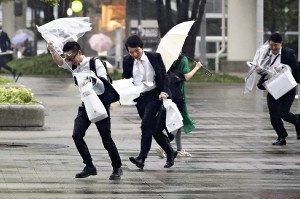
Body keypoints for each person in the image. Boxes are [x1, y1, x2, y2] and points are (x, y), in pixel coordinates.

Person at [47, 41, 123, 180]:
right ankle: (89, 166)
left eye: (72, 58)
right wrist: (52, 49)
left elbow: (104, 82)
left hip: (100, 103)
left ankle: (117, 167)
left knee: (106, 139)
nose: (70, 62)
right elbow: (59, 62)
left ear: (80, 53)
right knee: (77, 134)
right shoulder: (72, 64)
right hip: (86, 104)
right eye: (68, 59)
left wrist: (90, 80)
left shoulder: (95, 63)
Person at [123, 35, 175, 169]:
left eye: (137, 51)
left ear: (142, 48)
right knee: (153, 130)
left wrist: (165, 91)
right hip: (139, 98)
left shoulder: (155, 57)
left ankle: (141, 158)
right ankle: (170, 152)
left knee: (145, 125)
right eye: (131, 52)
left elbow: (164, 76)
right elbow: (126, 80)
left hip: (154, 96)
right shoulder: (127, 61)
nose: (134, 54)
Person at [255, 33, 300, 146]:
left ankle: (297, 120)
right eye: (271, 45)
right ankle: (281, 137)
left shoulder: (289, 54)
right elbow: (263, 69)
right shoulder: (265, 55)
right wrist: (260, 71)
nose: (274, 48)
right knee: (273, 116)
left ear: (281, 44)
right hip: (273, 88)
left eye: (276, 45)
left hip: (287, 88)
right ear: (269, 44)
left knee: (283, 113)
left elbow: (296, 71)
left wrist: (284, 71)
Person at [156, 55, 202, 158]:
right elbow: (187, 77)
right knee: (178, 121)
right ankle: (164, 145)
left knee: (173, 121)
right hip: (177, 94)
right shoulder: (182, 59)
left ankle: (178, 149)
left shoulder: (164, 57)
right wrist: (197, 67)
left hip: (166, 91)